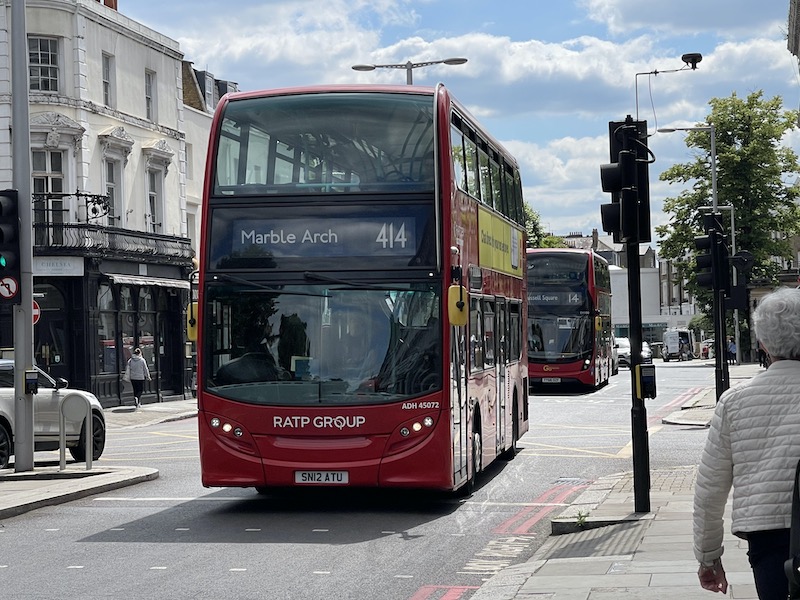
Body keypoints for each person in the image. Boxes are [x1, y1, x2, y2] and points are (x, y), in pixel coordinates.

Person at [693, 287, 800, 598]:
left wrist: (709, 557)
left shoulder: (735, 401)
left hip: (768, 537)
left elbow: (710, 490)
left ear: (763, 343)